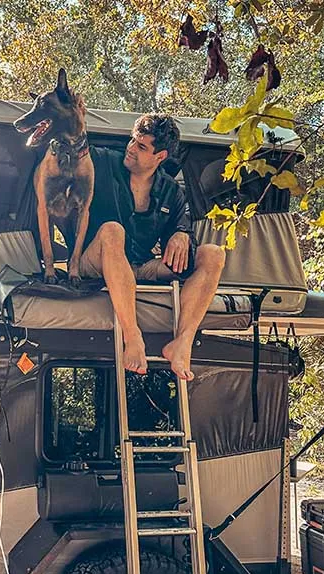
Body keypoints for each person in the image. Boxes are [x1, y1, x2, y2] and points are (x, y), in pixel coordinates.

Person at [79, 113, 226, 379]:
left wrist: (181, 233)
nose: (131, 149)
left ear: (160, 157)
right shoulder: (103, 161)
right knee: (113, 230)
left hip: (139, 265)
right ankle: (133, 336)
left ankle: (182, 344)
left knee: (213, 254)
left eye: (142, 146)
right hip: (95, 260)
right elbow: (72, 147)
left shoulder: (171, 191)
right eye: (133, 141)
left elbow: (185, 227)